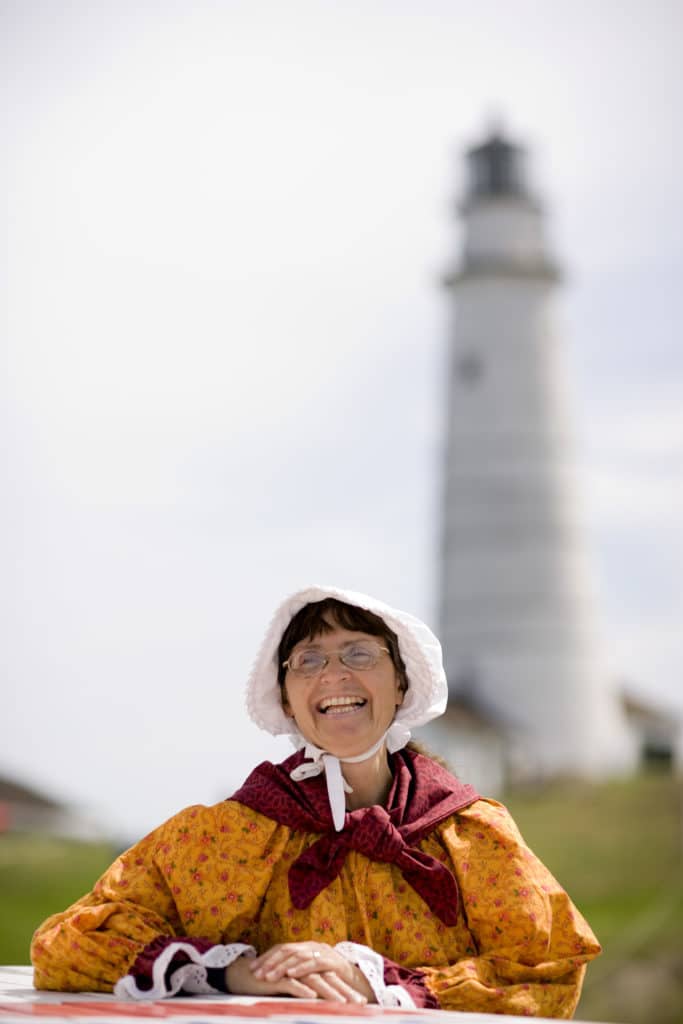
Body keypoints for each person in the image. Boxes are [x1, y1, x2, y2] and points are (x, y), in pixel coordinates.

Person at [31, 585, 600, 1017]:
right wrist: (239, 972)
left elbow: (548, 972)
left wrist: (372, 981)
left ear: (401, 683)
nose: (333, 673)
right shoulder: (224, 836)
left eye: (359, 654)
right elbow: (69, 941)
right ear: (285, 696)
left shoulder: (470, 833)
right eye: (308, 659)